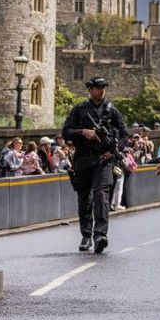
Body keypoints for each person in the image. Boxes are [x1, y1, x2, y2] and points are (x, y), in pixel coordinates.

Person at [62, 76, 128, 254]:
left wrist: (112, 150)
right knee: (85, 199)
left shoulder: (112, 110)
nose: (101, 90)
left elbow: (124, 135)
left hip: (103, 160)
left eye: (103, 87)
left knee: (101, 196)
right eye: (98, 87)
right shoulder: (80, 109)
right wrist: (83, 132)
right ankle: (86, 234)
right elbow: (65, 132)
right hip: (83, 159)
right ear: (90, 89)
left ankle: (100, 235)